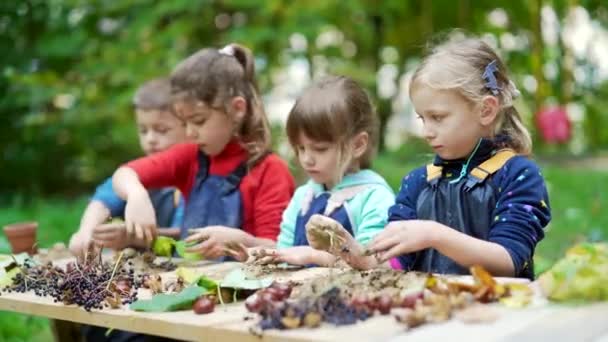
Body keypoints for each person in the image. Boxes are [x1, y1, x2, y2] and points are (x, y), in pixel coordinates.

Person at [345, 37, 550, 279]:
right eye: (423, 118)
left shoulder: (518, 175)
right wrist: (355, 253)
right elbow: (397, 264)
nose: (426, 131)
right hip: (430, 310)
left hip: (499, 312)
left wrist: (433, 234)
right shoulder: (417, 181)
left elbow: (509, 260)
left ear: (486, 110)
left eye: (438, 117)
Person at [111, 44, 295, 258]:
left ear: (237, 109)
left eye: (199, 121)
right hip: (186, 284)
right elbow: (124, 173)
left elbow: (278, 249)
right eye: (184, 122)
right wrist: (136, 195)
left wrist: (240, 241)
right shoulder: (190, 157)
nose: (190, 133)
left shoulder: (270, 170)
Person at [236, 75, 394, 268]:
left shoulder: (373, 197)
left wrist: (312, 256)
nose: (306, 159)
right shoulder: (304, 196)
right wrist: (263, 255)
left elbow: (373, 264)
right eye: (301, 148)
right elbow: (284, 250)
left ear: (358, 145)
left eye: (320, 149)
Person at [69, 78, 187, 255]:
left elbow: (185, 234)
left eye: (162, 130)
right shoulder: (142, 171)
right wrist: (86, 231)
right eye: (143, 130)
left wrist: (133, 237)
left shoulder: (196, 174)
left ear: (189, 127)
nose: (150, 139)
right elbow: (104, 198)